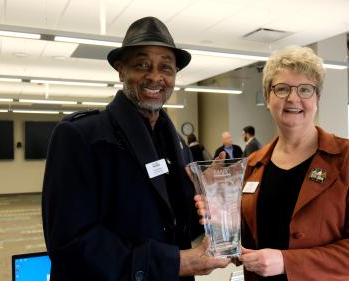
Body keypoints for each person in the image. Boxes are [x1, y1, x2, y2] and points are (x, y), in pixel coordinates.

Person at [42, 16, 229, 281]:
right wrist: (173, 263)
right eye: (142, 65)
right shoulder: (82, 136)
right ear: (121, 70)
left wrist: (202, 192)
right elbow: (69, 242)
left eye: (166, 67)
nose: (155, 76)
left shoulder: (176, 143)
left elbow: (175, 227)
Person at [238, 46, 349, 280]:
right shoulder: (252, 165)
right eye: (282, 88)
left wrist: (287, 262)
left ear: (317, 98)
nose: (293, 98)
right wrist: (217, 210)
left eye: (305, 89)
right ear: (268, 97)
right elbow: (246, 242)